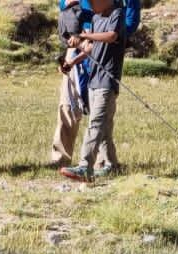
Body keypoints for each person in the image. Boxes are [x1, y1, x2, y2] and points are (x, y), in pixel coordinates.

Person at [60, 0, 122, 182]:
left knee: (95, 125)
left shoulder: (117, 13)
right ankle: (112, 166)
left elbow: (111, 36)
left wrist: (87, 35)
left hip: (108, 81)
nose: (91, 5)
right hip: (94, 80)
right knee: (105, 129)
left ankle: (85, 167)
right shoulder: (95, 17)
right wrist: (71, 62)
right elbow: (89, 47)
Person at [50, 0, 88, 169]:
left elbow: (130, 18)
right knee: (67, 105)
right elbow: (64, 5)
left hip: (104, 44)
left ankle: (102, 161)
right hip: (75, 43)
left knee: (100, 108)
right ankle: (60, 159)